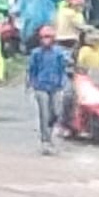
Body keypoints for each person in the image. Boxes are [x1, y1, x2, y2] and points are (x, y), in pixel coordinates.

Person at [27, 26, 68, 154]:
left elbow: (62, 69)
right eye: (44, 37)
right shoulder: (36, 53)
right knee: (44, 114)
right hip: (41, 87)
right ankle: (46, 140)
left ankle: (50, 133)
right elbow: (32, 70)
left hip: (55, 86)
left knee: (56, 112)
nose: (46, 40)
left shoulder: (59, 53)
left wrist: (62, 83)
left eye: (48, 37)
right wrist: (33, 84)